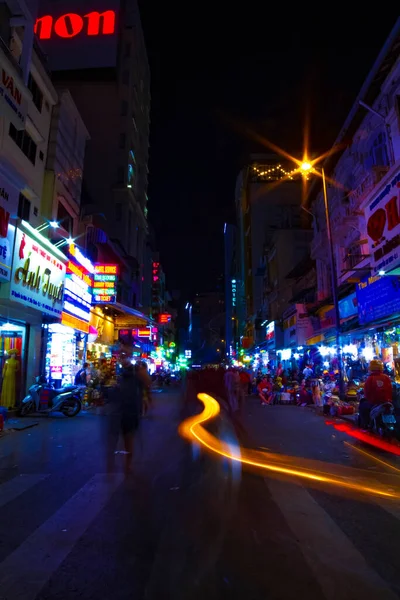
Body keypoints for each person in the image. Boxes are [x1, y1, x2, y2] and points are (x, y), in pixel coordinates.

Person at [105, 357, 143, 475]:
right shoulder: (118, 376)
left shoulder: (137, 373)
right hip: (120, 412)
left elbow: (145, 385)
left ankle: (126, 465)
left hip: (129, 412)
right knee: (117, 439)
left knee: (126, 440)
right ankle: (114, 464)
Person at [359, 359, 393, 429]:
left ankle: (366, 424)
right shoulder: (386, 377)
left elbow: (367, 393)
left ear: (370, 368)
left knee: (362, 406)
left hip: (374, 402)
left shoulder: (370, 379)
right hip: (387, 401)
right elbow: (390, 389)